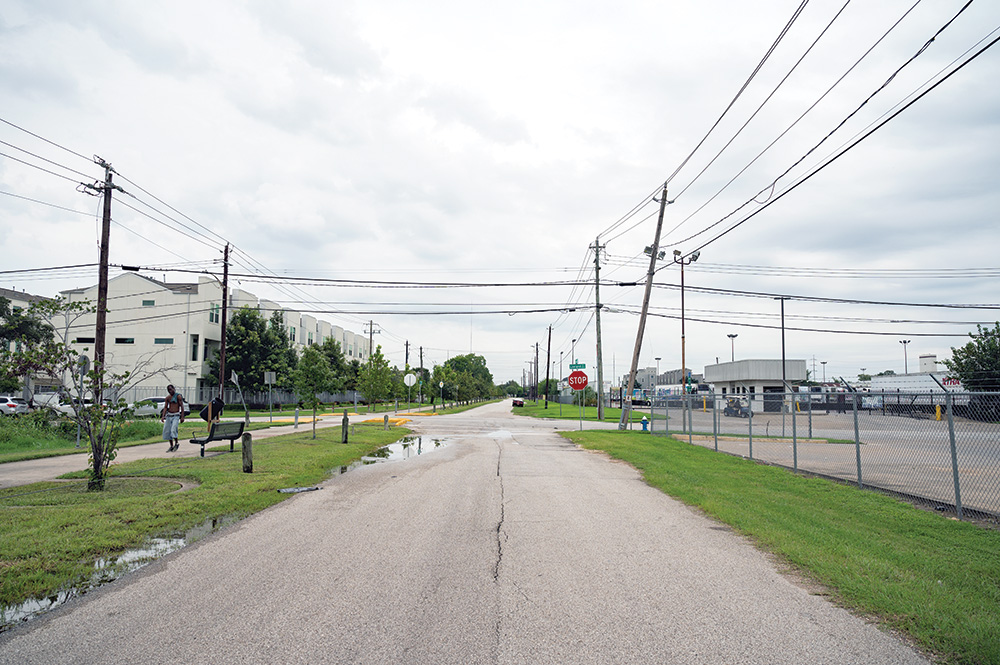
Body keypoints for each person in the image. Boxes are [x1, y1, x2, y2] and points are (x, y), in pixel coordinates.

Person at [160, 385, 186, 452]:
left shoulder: (178, 396)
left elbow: (182, 406)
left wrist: (182, 417)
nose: (170, 391)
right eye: (169, 390)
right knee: (167, 431)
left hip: (176, 415)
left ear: (174, 389)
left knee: (173, 430)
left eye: (171, 389)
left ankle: (176, 443)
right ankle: (171, 446)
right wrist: (163, 416)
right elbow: (165, 407)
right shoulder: (168, 398)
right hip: (169, 415)